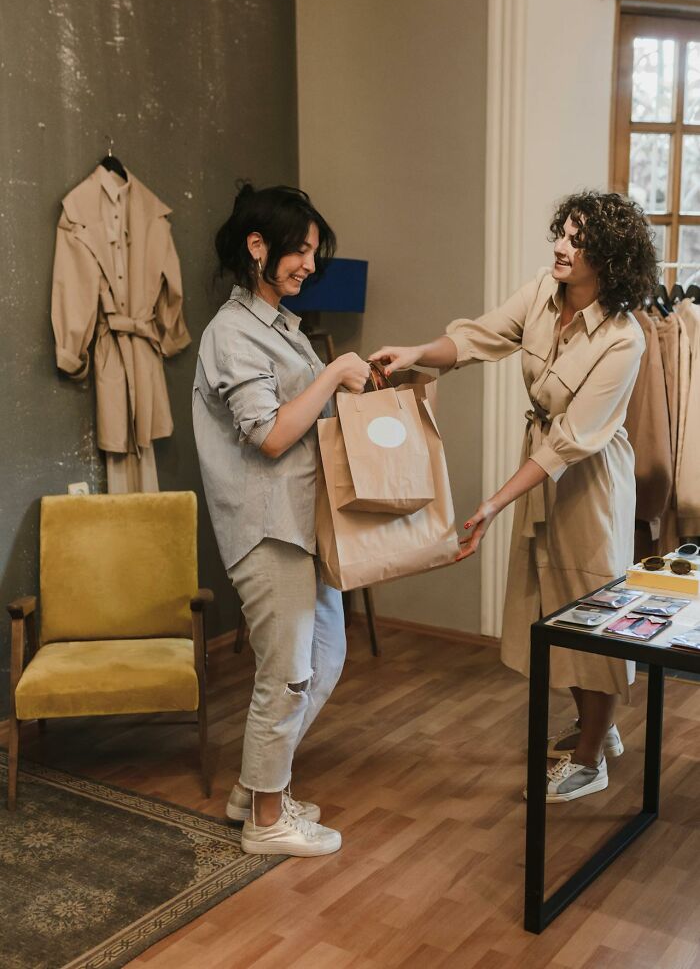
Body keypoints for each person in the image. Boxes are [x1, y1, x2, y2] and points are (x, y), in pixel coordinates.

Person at [370, 191, 658, 803]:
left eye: (577, 240)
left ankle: (592, 755)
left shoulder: (624, 338)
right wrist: (420, 353)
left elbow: (571, 443)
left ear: (607, 256)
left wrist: (494, 504)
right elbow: (478, 338)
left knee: (593, 605)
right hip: (543, 467)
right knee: (556, 598)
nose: (560, 246)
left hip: (590, 478)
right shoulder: (540, 293)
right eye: (562, 233)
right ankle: (595, 726)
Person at [193, 183, 369, 854]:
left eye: (313, 252)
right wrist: (331, 377)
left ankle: (253, 788)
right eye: (299, 250)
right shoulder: (232, 335)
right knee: (289, 672)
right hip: (266, 529)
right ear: (256, 246)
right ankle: (266, 822)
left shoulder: (279, 328)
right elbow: (268, 435)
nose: (308, 264)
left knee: (323, 659)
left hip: (302, 522)